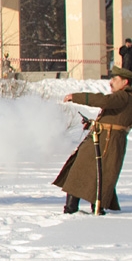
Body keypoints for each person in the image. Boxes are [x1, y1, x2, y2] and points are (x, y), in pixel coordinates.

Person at [54, 66, 132, 215]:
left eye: (115, 79)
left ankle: (75, 209)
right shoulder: (125, 98)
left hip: (107, 141)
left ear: (125, 82)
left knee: (86, 171)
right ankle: (90, 207)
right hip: (106, 139)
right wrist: (93, 124)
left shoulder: (123, 96)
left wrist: (76, 97)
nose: (111, 82)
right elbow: (115, 120)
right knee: (94, 173)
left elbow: (103, 100)